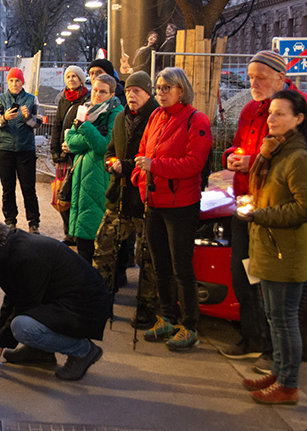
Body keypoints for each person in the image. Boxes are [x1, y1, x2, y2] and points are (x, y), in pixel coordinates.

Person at [222, 49, 307, 371]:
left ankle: (277, 357)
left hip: (278, 214)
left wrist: (252, 162)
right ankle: (253, 338)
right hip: (248, 205)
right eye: (251, 77)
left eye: (261, 78)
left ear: (282, 78)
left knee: (274, 294)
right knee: (244, 276)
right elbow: (238, 142)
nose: (253, 83)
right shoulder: (253, 108)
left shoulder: (306, 108)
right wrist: (231, 156)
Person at [235, 90, 307, 406]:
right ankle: (279, 373)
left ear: (299, 120)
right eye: (270, 113)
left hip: (286, 250)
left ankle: (288, 385)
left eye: (280, 114)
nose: (271, 119)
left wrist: (260, 214)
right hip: (270, 246)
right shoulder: (274, 151)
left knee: (285, 319)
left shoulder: (300, 157)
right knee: (274, 317)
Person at [0, 219, 111, 382]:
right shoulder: (6, 252)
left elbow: (25, 305)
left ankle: (84, 351)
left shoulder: (24, 256)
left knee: (23, 327)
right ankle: (40, 351)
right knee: (22, 322)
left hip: (86, 306)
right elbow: (12, 299)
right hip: (64, 299)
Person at [132, 66, 213, 351]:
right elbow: (143, 150)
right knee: (160, 264)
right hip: (154, 200)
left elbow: (193, 164)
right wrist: (140, 177)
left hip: (181, 205)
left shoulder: (196, 120)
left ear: (182, 89)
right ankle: (166, 316)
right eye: (158, 88)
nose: (161, 93)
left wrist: (155, 167)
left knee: (181, 267)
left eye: (167, 88)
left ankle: (190, 325)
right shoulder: (155, 115)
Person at [92, 71, 160, 328]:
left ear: (147, 93)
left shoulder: (155, 118)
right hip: (118, 196)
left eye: (137, 91)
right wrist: (112, 164)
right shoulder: (121, 118)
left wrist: (127, 165)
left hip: (142, 199)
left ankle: (145, 309)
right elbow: (110, 151)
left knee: (146, 257)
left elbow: (153, 159)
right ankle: (102, 301)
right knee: (104, 246)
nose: (132, 95)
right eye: (129, 91)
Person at [62, 74, 124, 264]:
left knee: (97, 236)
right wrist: (89, 133)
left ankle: (100, 285)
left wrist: (86, 128)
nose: (97, 95)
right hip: (81, 181)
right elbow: (70, 141)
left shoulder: (116, 113)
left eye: (103, 92)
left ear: (112, 94)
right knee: (83, 235)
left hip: (100, 180)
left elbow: (104, 146)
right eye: (95, 90)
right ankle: (86, 281)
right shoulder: (86, 109)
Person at [0, 67, 41, 234]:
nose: (14, 84)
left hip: (25, 148)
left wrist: (28, 118)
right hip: (4, 149)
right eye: (11, 80)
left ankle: (33, 222)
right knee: (8, 188)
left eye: (17, 80)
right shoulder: (0, 98)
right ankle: (10, 221)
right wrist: (4, 118)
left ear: (22, 82)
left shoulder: (32, 99)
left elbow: (38, 123)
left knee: (28, 188)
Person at [50, 65, 90, 245]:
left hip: (77, 154)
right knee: (62, 194)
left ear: (81, 79)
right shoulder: (63, 99)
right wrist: (55, 150)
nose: (71, 79)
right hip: (63, 156)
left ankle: (76, 232)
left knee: (76, 195)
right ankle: (68, 232)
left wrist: (73, 146)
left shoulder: (87, 100)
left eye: (75, 76)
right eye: (68, 76)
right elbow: (57, 125)